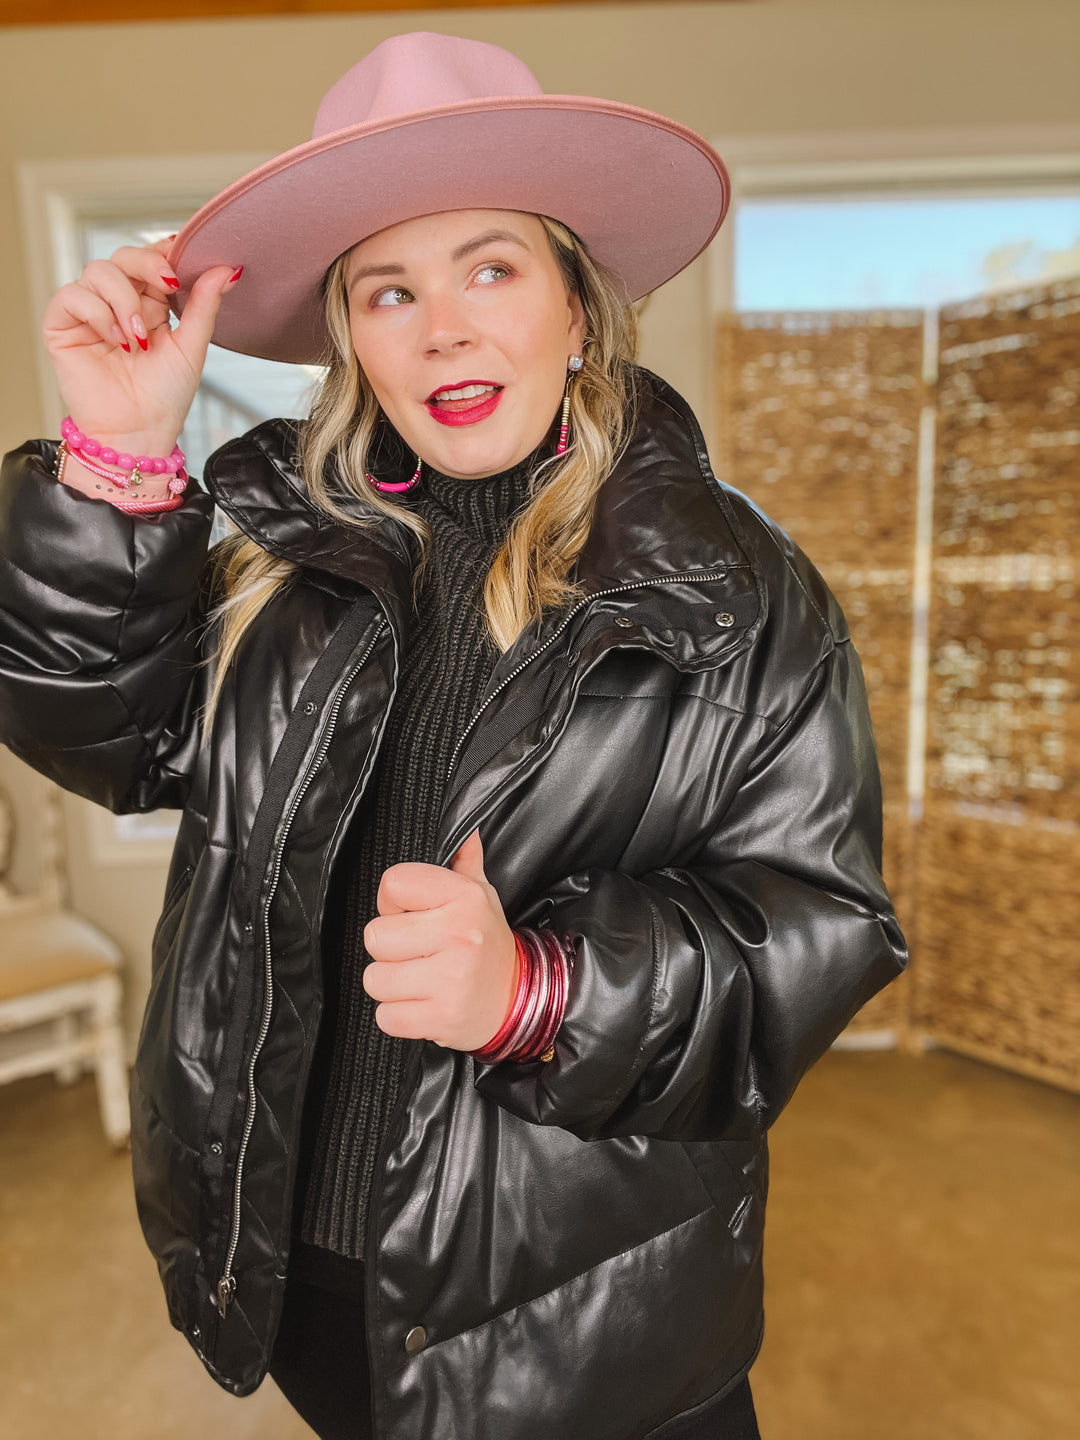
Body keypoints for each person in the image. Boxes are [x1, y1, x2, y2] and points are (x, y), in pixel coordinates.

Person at [0, 32, 907, 1440]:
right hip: (304, 1285)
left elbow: (819, 931)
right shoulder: (283, 570)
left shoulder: (735, 591)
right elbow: (111, 736)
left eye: (491, 269)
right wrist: (118, 458)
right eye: (390, 289)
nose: (443, 330)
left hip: (588, 1325)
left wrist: (538, 992)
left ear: (578, 306)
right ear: (352, 340)